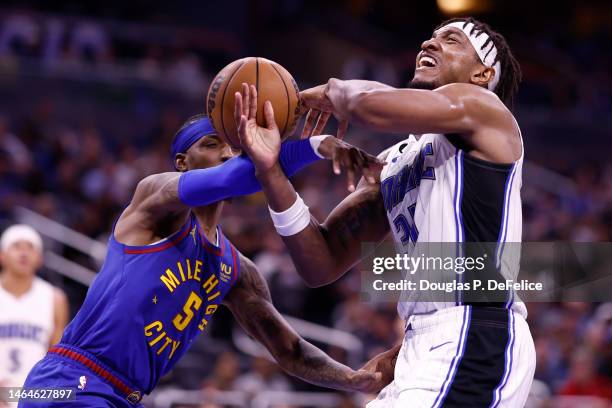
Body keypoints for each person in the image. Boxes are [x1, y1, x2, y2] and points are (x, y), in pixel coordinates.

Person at [20, 90, 391, 407]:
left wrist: (353, 380)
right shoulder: (154, 199)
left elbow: (289, 350)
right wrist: (316, 145)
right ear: (182, 162)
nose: (228, 154)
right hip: (72, 378)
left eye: (234, 146)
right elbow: (234, 176)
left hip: (120, 394)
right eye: (212, 144)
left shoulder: (236, 270)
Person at [241, 17, 535, 407]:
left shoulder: (485, 110)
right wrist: (271, 171)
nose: (430, 44)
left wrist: (331, 90)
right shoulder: (394, 162)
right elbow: (321, 263)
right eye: (430, 37)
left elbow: (369, 105)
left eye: (451, 40)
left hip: (476, 332)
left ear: (482, 73)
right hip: (421, 344)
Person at [0, 224, 69, 389]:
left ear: (40, 258)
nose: (23, 253)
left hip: (34, 393)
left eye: (30, 247)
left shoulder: (55, 298)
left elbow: (56, 360)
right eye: (16, 246)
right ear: (2, 256)